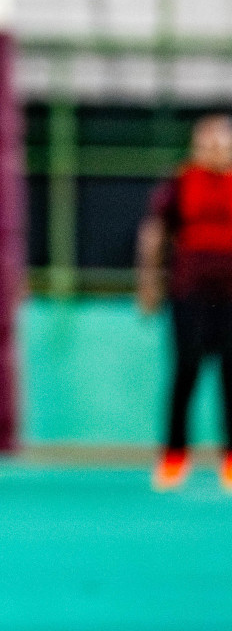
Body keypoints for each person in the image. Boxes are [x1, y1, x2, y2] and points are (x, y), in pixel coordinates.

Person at [136, 113, 232, 493]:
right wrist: (148, 282)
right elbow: (155, 233)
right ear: (196, 147)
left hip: (230, 298)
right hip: (189, 293)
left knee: (231, 375)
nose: (215, 151)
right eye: (207, 144)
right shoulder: (180, 183)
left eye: (222, 144)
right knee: (186, 370)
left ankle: (229, 460)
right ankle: (174, 456)